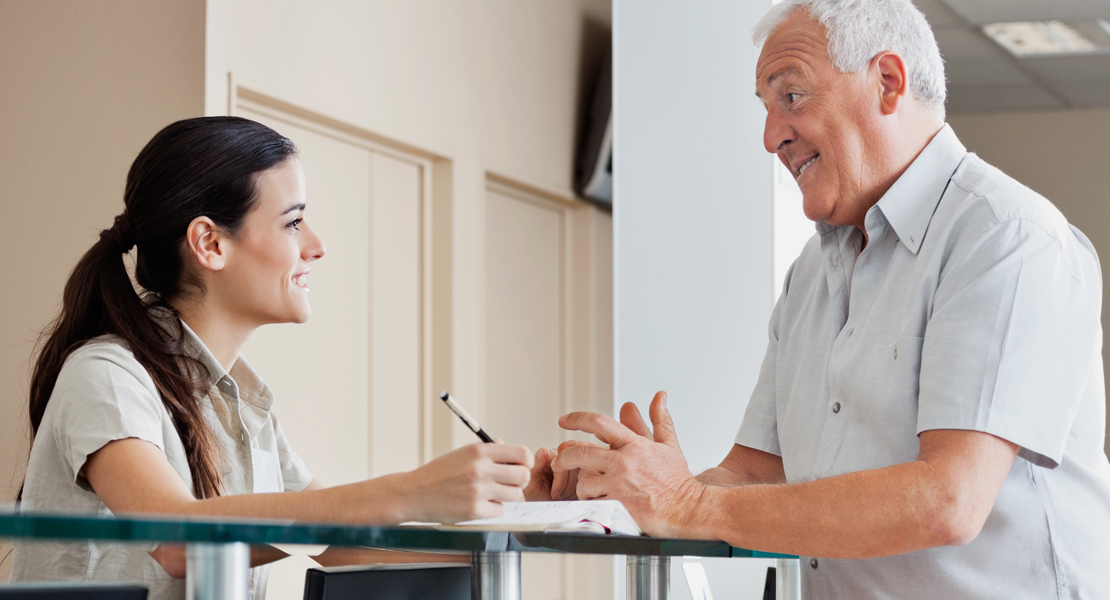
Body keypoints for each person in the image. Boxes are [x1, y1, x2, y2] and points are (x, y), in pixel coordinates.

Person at [525, 0, 1110, 597]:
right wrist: (623, 493)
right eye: (766, 107)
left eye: (792, 97)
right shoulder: (812, 272)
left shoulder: (1006, 237)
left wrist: (686, 503)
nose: (770, 135)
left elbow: (948, 500)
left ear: (887, 82)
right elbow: (751, 474)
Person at [12, 117, 534, 600]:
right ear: (210, 243)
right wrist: (411, 491)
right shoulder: (105, 375)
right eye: (293, 223)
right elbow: (176, 539)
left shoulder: (245, 405)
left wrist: (519, 509)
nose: (317, 246)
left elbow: (339, 543)